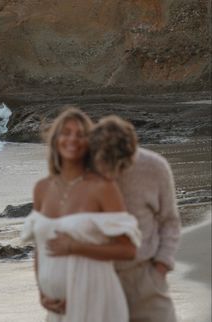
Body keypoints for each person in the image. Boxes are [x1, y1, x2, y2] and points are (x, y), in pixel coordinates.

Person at [47, 114, 180, 322]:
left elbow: (169, 221)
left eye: (119, 169)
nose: (111, 176)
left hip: (143, 277)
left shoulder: (156, 167)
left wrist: (161, 267)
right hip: (94, 277)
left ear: (131, 156)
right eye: (104, 168)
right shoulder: (81, 168)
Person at [21, 107, 141, 322]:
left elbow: (128, 249)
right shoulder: (42, 188)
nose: (72, 139)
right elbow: (40, 247)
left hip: (97, 300)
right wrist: (42, 293)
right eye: (66, 132)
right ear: (56, 138)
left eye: (81, 134)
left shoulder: (103, 188)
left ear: (90, 143)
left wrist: (75, 247)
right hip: (57, 309)